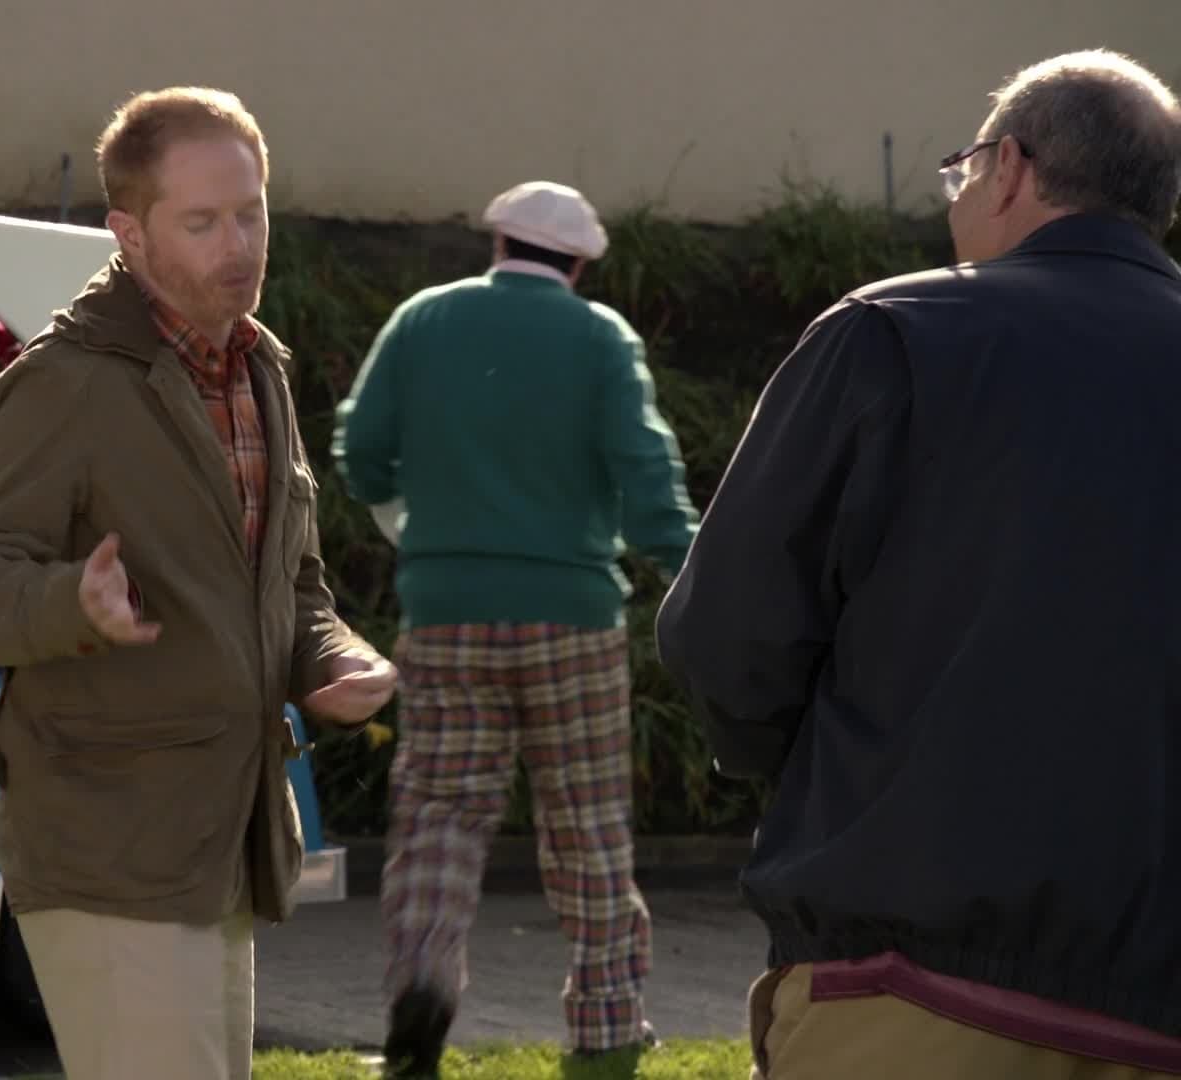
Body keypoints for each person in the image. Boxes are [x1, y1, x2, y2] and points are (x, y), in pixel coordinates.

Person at [655, 48, 1181, 1079]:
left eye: (964, 171)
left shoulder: (893, 332)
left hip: (915, 975)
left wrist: (822, 773)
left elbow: (726, 633)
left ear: (1010, 168)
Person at [0, 86, 397, 1080]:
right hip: (108, 846)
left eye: (251, 213)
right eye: (202, 222)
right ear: (129, 234)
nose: (240, 245)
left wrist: (329, 658)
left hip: (222, 842)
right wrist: (74, 604)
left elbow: (292, 585)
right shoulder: (62, 384)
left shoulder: (257, 370)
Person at [333, 180, 699, 1076]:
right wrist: (691, 562)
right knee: (587, 822)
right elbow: (646, 473)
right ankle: (607, 1025)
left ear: (497, 244)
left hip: (445, 612)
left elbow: (361, 452)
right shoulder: (600, 336)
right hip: (573, 617)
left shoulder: (423, 319)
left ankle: (422, 987)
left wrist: (409, 512)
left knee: (441, 814)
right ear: (578, 264)